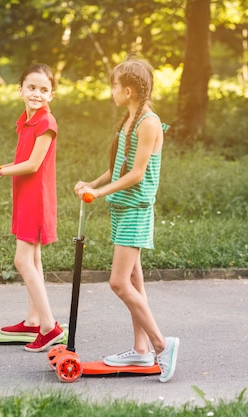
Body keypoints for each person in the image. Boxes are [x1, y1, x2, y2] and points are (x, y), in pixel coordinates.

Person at [73, 56, 179, 382]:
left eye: (114, 87)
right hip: (122, 209)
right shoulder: (129, 120)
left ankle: (162, 344)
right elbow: (119, 165)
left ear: (129, 90)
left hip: (135, 209)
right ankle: (142, 350)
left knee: (118, 283)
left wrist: (99, 194)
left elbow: (136, 174)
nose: (112, 92)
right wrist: (93, 183)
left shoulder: (148, 122)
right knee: (134, 283)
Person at [0, 63, 64, 353]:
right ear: (20, 90)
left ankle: (49, 327)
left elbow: (32, 164)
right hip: (26, 196)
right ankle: (32, 320)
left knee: (23, 260)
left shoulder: (46, 123)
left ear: (52, 94)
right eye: (32, 87)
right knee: (35, 260)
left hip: (36, 200)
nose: (37, 94)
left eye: (44, 89)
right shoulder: (27, 121)